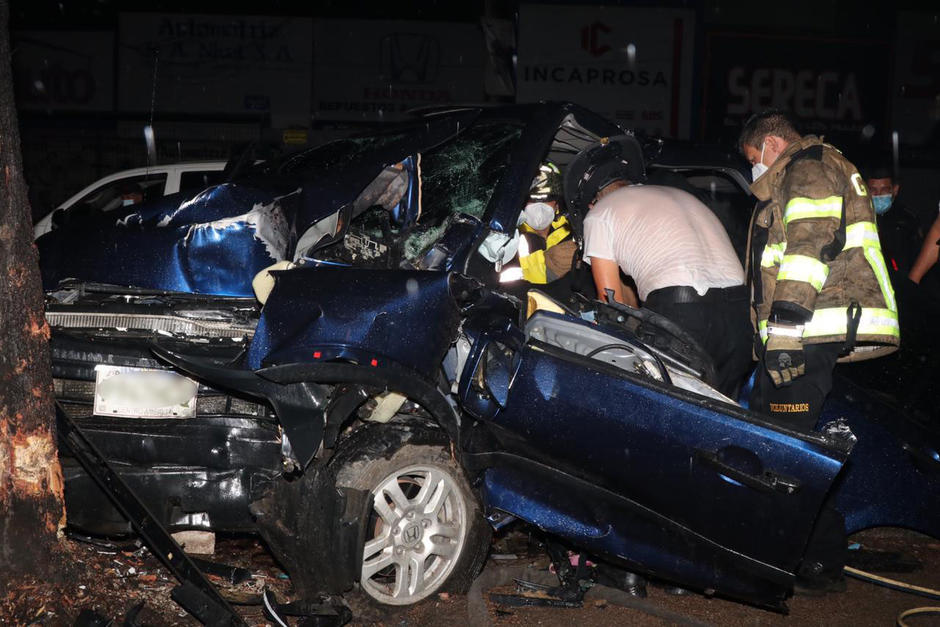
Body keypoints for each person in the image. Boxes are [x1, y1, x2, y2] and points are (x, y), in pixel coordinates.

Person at [739, 110, 900, 432]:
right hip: (808, 324)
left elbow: (808, 246)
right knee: (764, 424)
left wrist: (785, 328)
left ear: (772, 142)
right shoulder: (811, 168)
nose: (754, 168)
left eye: (754, 158)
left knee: (783, 436)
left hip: (807, 324)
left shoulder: (809, 168)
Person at [574, 137, 753, 399]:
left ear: (591, 201)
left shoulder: (600, 213)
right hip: (739, 314)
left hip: (684, 313)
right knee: (720, 417)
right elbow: (632, 291)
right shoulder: (676, 194)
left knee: (670, 414)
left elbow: (610, 302)